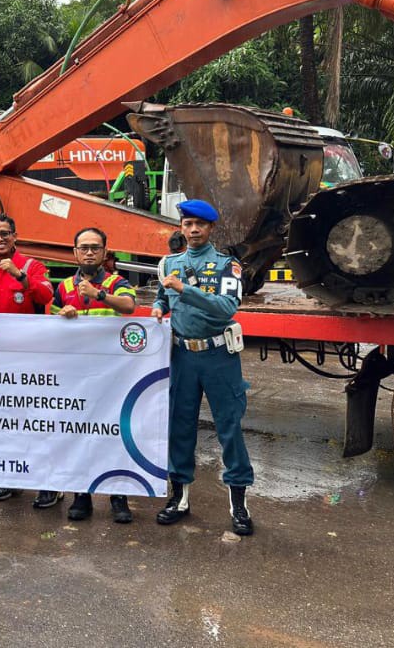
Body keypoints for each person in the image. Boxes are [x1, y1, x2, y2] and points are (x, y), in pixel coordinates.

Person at [152, 199, 254, 536]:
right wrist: (157, 307)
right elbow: (162, 297)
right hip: (182, 356)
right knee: (179, 427)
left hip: (218, 356)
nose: (193, 230)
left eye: (200, 225)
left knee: (229, 428)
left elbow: (226, 308)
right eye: (188, 224)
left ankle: (238, 503)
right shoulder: (169, 263)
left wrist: (185, 289)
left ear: (211, 228)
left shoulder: (227, 265)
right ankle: (179, 497)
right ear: (181, 227)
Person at [51, 227, 138, 524]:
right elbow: (48, 323)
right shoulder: (62, 287)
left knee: (114, 433)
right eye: (84, 247)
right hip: (75, 375)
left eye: (95, 247)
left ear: (104, 252)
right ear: (74, 252)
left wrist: (99, 294)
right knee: (79, 436)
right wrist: (61, 316)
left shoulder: (117, 282)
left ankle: (118, 497)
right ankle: (82, 495)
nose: (89, 252)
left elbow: (129, 306)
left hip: (110, 374)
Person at [0, 213, 55, 506]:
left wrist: (19, 276)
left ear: (15, 236)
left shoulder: (31, 266)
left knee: (36, 421)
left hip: (30, 358)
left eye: (4, 233)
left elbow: (47, 294)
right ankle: (10, 477)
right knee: (3, 421)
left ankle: (48, 482)